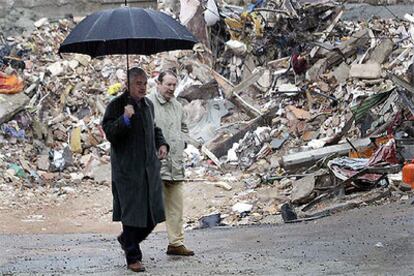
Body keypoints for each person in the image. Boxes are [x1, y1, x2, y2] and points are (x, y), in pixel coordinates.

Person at [102, 67, 169, 273]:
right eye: (138, 83)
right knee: (132, 216)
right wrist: (124, 118)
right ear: (128, 85)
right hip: (128, 172)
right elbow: (110, 132)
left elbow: (154, 128)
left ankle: (126, 240)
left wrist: (162, 144)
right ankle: (133, 257)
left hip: (149, 168)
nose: (142, 87)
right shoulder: (116, 105)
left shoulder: (148, 104)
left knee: (152, 216)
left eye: (144, 83)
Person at [147, 70, 194, 256]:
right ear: (158, 84)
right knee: (145, 208)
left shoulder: (177, 106)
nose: (172, 88)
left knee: (176, 206)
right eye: (168, 84)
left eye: (174, 85)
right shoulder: (147, 103)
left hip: (175, 164)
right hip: (154, 165)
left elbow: (184, 127)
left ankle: (176, 243)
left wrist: (181, 142)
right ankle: (132, 246)